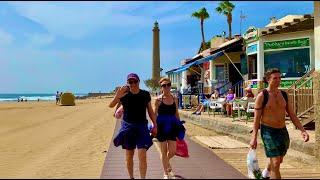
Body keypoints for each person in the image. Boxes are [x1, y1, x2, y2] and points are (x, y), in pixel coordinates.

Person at [249, 68, 309, 179]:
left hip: (282, 131)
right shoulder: (262, 96)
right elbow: (256, 119)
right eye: (275, 78)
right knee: (276, 162)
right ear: (268, 80)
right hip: (268, 131)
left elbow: (292, 114)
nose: (278, 80)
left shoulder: (284, 94)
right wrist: (254, 138)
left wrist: (302, 130)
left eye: (279, 78)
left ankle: (266, 173)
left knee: (278, 160)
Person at [109, 73, 158, 179]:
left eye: (135, 81)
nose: (133, 84)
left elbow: (150, 111)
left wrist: (155, 125)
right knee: (129, 156)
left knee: (142, 156)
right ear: (128, 83)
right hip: (128, 128)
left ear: (139, 82)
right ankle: (131, 177)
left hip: (142, 128)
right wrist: (118, 95)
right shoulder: (124, 95)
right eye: (130, 82)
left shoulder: (145, 94)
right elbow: (111, 105)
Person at [154, 77, 185, 179]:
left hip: (172, 126)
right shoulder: (158, 100)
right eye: (164, 85)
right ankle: (165, 173)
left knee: (172, 150)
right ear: (161, 87)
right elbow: (154, 115)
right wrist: (154, 127)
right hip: (161, 127)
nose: (166, 87)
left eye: (168, 85)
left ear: (170, 86)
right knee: (163, 151)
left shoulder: (175, 99)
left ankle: (166, 162)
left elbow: (176, 113)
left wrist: (180, 126)